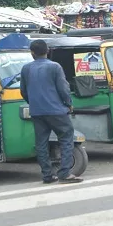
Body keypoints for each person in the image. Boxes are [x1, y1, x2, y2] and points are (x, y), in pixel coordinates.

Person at [20, 40, 82, 184]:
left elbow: (23, 91)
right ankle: (65, 173)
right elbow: (63, 89)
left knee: (41, 143)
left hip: (37, 112)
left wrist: (34, 103)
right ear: (47, 51)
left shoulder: (26, 68)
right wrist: (69, 104)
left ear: (32, 53)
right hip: (56, 110)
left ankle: (47, 175)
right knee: (66, 138)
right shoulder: (55, 67)